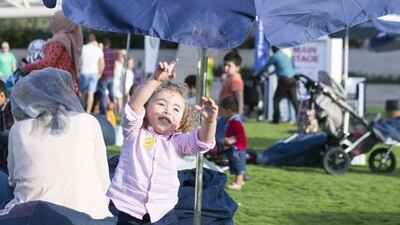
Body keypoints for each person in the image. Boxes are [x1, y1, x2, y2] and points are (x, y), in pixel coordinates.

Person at [107, 59, 218, 225]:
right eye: (161, 104)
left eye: (176, 109)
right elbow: (133, 108)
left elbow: (202, 142)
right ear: (146, 108)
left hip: (163, 212)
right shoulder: (135, 131)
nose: (167, 110)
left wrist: (210, 122)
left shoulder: (178, 142)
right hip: (129, 209)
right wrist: (155, 80)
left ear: (181, 120)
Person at [0, 67, 112, 219]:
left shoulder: (18, 129)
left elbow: (13, 180)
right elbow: (103, 181)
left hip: (34, 217)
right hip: (93, 216)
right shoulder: (89, 122)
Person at [23, 10, 83, 93]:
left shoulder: (59, 40)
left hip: (57, 86)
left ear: (62, 21)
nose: (53, 22)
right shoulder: (69, 39)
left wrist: (26, 67)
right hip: (66, 83)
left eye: (54, 19)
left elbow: (47, 62)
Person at [256, 46, 298, 124]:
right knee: (294, 100)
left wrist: (258, 74)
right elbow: (281, 68)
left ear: (272, 50)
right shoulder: (284, 55)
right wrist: (270, 74)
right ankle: (299, 118)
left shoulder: (274, 56)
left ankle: (276, 119)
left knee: (276, 99)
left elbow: (266, 67)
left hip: (284, 80)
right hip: (293, 79)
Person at [220, 97, 248, 190]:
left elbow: (240, 134)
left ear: (228, 110)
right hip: (236, 147)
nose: (221, 112)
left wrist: (231, 140)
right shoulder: (232, 120)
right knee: (237, 163)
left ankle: (238, 183)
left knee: (237, 165)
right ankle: (240, 181)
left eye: (222, 110)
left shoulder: (235, 121)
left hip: (237, 147)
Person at [79, 33, 105, 113]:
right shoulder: (97, 49)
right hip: (94, 73)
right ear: (94, 40)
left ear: (87, 40)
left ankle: (81, 109)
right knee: (91, 93)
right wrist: (100, 73)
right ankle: (88, 111)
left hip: (84, 71)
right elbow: (102, 63)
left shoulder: (83, 48)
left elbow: (79, 62)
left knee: (82, 92)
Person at [98, 38, 118, 115]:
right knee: (111, 94)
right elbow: (115, 64)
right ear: (109, 44)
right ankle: (113, 110)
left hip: (104, 76)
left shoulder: (101, 52)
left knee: (103, 94)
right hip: (111, 76)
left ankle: (103, 112)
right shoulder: (113, 53)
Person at [0, 80, 13, 172]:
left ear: (1, 95)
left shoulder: (12, 105)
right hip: (4, 148)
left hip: (12, 143)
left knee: (5, 135)